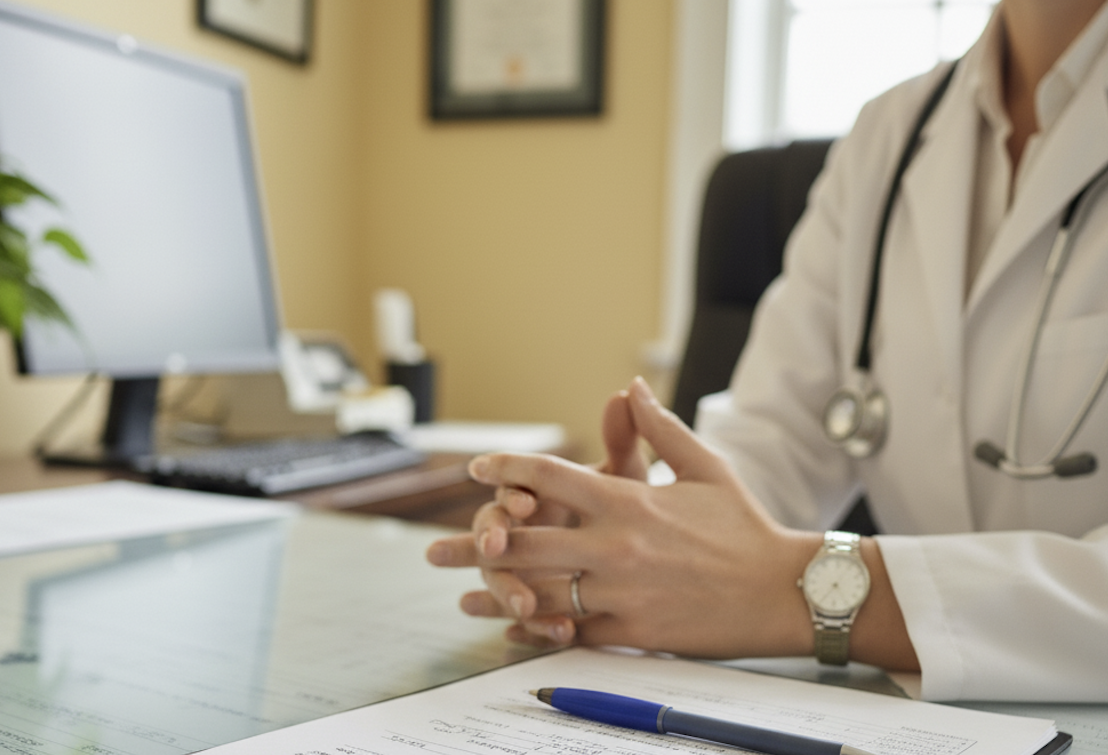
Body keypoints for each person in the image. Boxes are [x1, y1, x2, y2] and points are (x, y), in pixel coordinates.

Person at [427, 0, 1108, 703]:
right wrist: (631, 536)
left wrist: (801, 593)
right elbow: (775, 436)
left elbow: (764, 572)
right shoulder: (892, 133)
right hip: (916, 724)